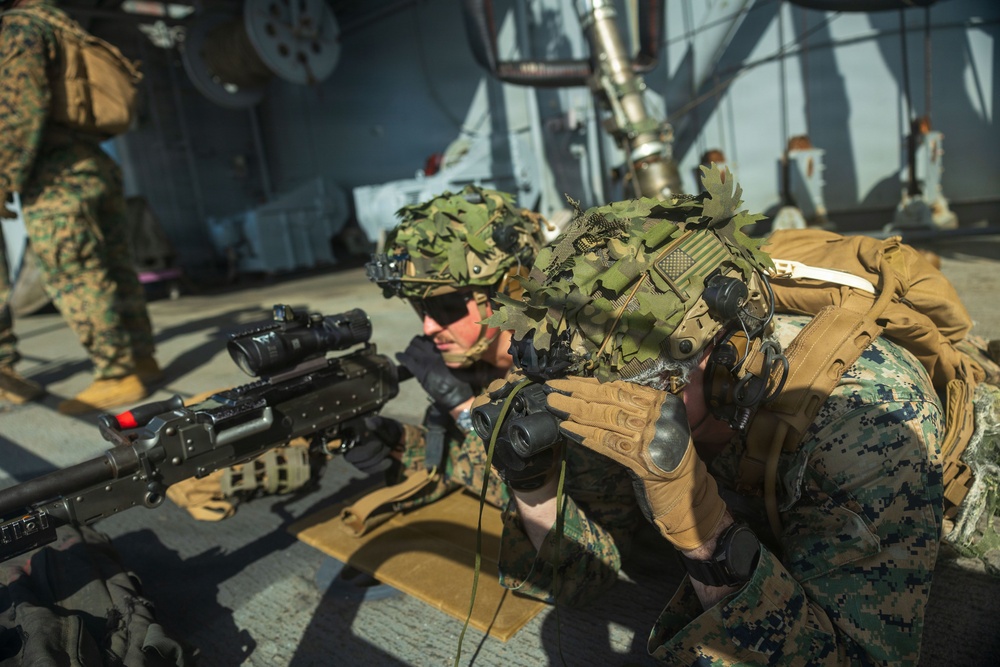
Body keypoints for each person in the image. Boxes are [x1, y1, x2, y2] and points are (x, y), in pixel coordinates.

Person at [485, 166, 964, 663]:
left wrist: (704, 534)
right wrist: (531, 482)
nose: (607, 398)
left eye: (631, 382)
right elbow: (589, 574)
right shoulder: (621, 389)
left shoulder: (866, 422)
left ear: (724, 359)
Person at [351, 184, 644, 605]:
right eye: (422, 310)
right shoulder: (476, 362)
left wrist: (468, 413)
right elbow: (474, 467)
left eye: (447, 308)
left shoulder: (573, 382)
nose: (430, 328)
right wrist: (399, 444)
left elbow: (588, 573)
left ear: (506, 292)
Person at [0, 0, 161, 414]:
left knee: (76, 273)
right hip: (93, 161)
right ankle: (143, 358)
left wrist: (4, 177)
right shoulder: (57, 20)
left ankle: (116, 374)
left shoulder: (17, 28)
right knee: (115, 264)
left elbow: (21, 109)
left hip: (56, 176)